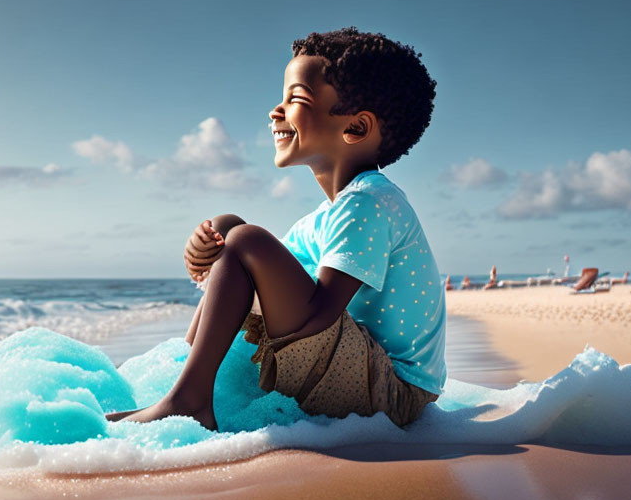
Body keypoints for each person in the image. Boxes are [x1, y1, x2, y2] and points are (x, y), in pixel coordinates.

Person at [107, 28, 444, 430]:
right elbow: (259, 275)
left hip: (391, 392)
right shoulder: (329, 214)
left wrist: (240, 258)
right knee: (233, 229)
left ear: (354, 129)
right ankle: (181, 379)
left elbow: (318, 311)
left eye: (296, 99)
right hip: (359, 369)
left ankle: (189, 399)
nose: (275, 111)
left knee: (248, 240)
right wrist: (211, 245)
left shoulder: (367, 203)